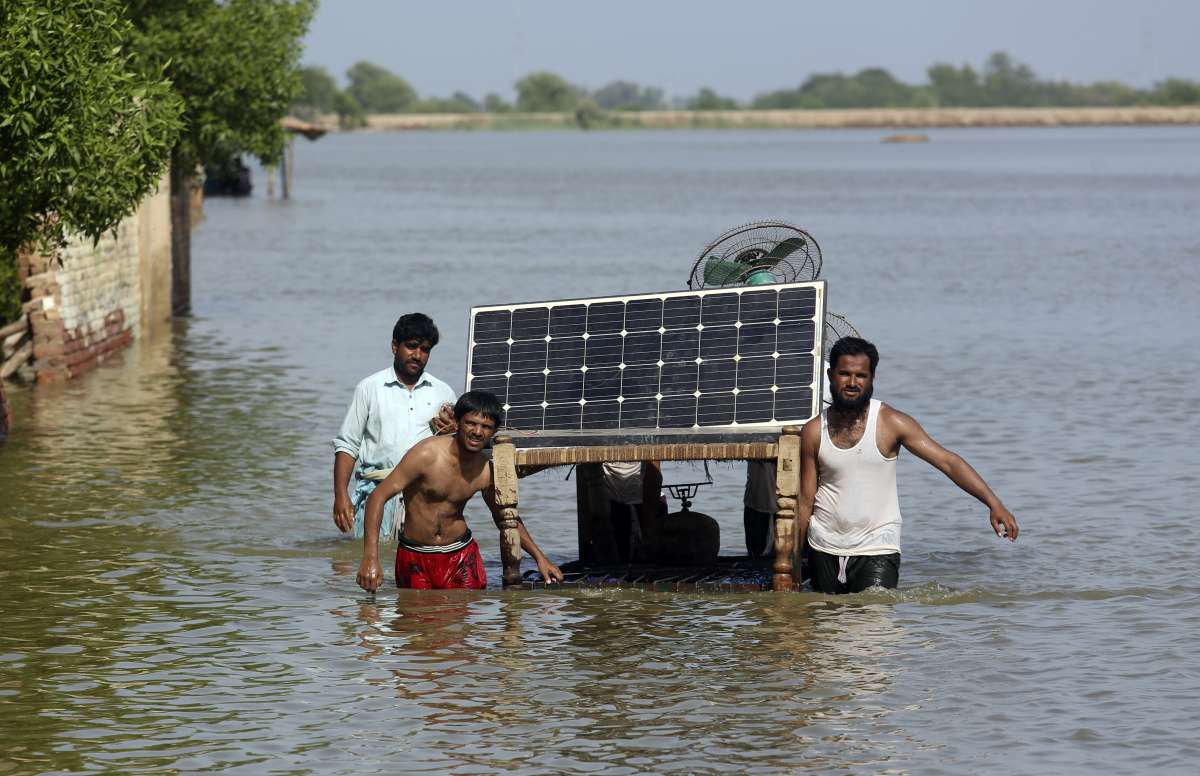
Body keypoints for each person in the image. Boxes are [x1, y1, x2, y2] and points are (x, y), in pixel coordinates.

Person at [797, 337, 1019, 594]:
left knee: (874, 623)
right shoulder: (814, 431)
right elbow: (805, 500)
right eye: (844, 374)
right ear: (830, 375)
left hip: (877, 547)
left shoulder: (892, 423)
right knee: (825, 623)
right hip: (823, 545)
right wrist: (792, 559)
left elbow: (948, 462)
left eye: (861, 375)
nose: (852, 383)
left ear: (872, 379)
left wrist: (994, 503)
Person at [356, 390, 564, 591]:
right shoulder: (426, 454)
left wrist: (540, 559)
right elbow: (377, 497)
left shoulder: (485, 471)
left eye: (486, 426)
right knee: (414, 623)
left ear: (494, 431)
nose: (477, 431)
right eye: (471, 423)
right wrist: (370, 557)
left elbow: (506, 518)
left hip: (461, 555)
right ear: (456, 423)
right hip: (415, 554)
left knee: (462, 623)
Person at [332, 313, 457, 540]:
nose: (417, 355)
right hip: (378, 492)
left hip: (425, 498)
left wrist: (453, 433)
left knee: (421, 566)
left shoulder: (443, 392)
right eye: (411, 346)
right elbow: (347, 445)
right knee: (370, 562)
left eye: (425, 349)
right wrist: (341, 496)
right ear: (394, 346)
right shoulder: (369, 388)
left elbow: (457, 449)